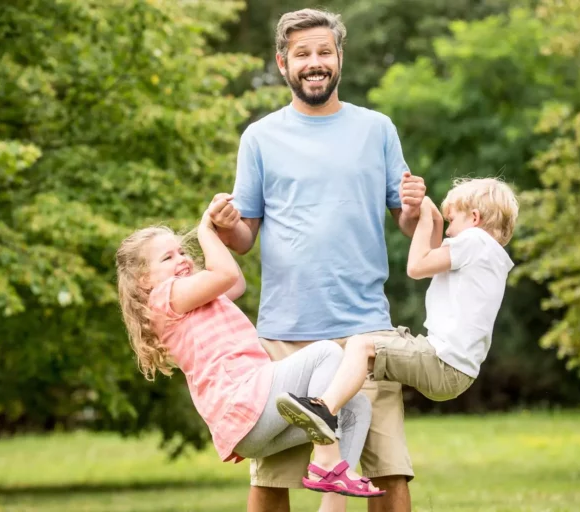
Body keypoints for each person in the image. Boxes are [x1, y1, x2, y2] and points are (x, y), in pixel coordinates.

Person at [207, 8, 425, 512]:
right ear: (282, 64)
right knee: (272, 479)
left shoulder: (378, 129)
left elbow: (408, 224)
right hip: (287, 336)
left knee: (389, 472)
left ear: (339, 58)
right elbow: (244, 238)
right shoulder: (260, 137)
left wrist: (414, 209)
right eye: (302, 54)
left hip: (366, 334)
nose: (315, 63)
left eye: (324, 52)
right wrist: (223, 222)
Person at [115, 207, 386, 501]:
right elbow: (227, 274)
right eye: (168, 257)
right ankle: (326, 461)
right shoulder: (165, 297)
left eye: (182, 252)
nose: (182, 259)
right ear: (143, 280)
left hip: (253, 422)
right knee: (326, 353)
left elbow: (235, 282)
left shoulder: (191, 296)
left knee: (355, 407)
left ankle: (332, 501)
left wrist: (216, 236)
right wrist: (205, 231)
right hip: (244, 403)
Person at [275, 178, 519, 442]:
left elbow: (417, 267)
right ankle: (332, 429)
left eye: (452, 222)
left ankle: (324, 410)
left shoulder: (474, 242)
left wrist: (426, 218)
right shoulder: (488, 255)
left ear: (474, 218)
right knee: (361, 357)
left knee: (360, 346)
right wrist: (434, 220)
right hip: (454, 369)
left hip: (443, 362)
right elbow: (432, 258)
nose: (449, 232)